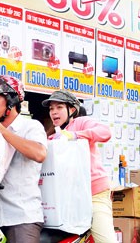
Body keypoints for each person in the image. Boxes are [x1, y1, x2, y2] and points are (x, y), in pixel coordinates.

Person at [0, 75, 48, 243]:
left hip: (21, 216)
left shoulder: (31, 126)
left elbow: (39, 154)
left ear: (11, 100)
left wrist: (3, 131)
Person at [41, 90, 116, 243]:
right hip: (68, 198)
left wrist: (76, 135)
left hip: (94, 193)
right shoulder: (51, 136)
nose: (54, 112)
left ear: (72, 110)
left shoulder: (80, 123)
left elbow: (105, 132)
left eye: (59, 107)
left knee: (106, 240)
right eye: (51, 109)